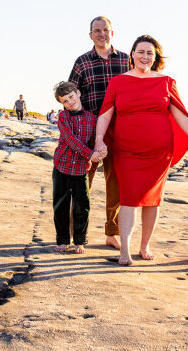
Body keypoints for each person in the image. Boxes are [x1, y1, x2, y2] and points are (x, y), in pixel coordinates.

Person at [95, 35, 188, 266]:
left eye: (150, 53)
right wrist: (99, 141)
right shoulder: (118, 82)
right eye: (141, 52)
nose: (145, 56)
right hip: (126, 150)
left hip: (158, 152)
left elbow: (180, 114)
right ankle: (124, 250)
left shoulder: (166, 81)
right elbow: (105, 114)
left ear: (155, 58)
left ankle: (144, 246)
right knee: (128, 199)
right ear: (132, 55)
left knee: (152, 200)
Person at [69, 16, 130, 250]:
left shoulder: (126, 61)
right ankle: (77, 234)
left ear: (112, 32)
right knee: (83, 184)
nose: (101, 34)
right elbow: (71, 97)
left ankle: (111, 233)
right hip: (88, 133)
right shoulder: (82, 62)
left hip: (119, 131)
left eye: (105, 30)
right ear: (90, 35)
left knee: (115, 185)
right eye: (96, 30)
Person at [52, 81, 103, 254]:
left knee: (82, 206)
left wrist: (100, 151)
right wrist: (89, 154)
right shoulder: (63, 117)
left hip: (81, 170)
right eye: (64, 101)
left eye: (71, 97)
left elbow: (96, 140)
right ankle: (62, 240)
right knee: (61, 205)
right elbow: (70, 139)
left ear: (78, 93)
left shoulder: (92, 118)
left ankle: (80, 241)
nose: (69, 102)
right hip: (62, 167)